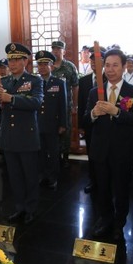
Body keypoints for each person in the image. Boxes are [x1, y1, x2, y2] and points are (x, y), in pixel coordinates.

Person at [86, 48, 133, 242]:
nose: (110, 70)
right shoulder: (95, 92)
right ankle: (105, 219)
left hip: (122, 151)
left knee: (121, 190)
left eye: (115, 65)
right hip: (100, 150)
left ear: (124, 66)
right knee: (102, 189)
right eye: (107, 65)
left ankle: (119, 223)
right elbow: (87, 118)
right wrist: (94, 113)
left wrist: (115, 111)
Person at [0, 43, 43, 225]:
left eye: (16, 59)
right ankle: (19, 207)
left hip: (27, 136)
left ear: (25, 61)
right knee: (14, 176)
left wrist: (11, 98)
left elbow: (36, 102)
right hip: (9, 137)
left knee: (30, 175)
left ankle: (31, 209)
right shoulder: (4, 81)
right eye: (10, 60)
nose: (11, 63)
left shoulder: (35, 81)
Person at [35, 50, 67, 190]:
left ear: (51, 66)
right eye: (39, 64)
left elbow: (63, 105)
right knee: (40, 152)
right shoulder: (34, 82)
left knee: (53, 152)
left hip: (53, 124)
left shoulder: (59, 83)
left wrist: (63, 124)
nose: (41, 67)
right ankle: (42, 175)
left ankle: (53, 177)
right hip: (37, 124)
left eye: (44, 64)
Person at [78, 46, 106, 194]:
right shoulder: (84, 81)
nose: (94, 63)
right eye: (92, 60)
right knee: (92, 153)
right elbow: (81, 104)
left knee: (106, 154)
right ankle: (93, 180)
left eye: (98, 60)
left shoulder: (110, 79)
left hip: (106, 126)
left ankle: (106, 181)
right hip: (90, 124)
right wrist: (81, 126)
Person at [51, 40, 79, 168]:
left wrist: (74, 105)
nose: (56, 51)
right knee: (52, 130)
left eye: (58, 49)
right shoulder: (48, 65)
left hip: (66, 105)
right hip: (51, 106)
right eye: (54, 49)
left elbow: (75, 86)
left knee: (66, 131)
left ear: (64, 51)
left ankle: (65, 156)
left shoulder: (70, 67)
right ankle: (54, 156)